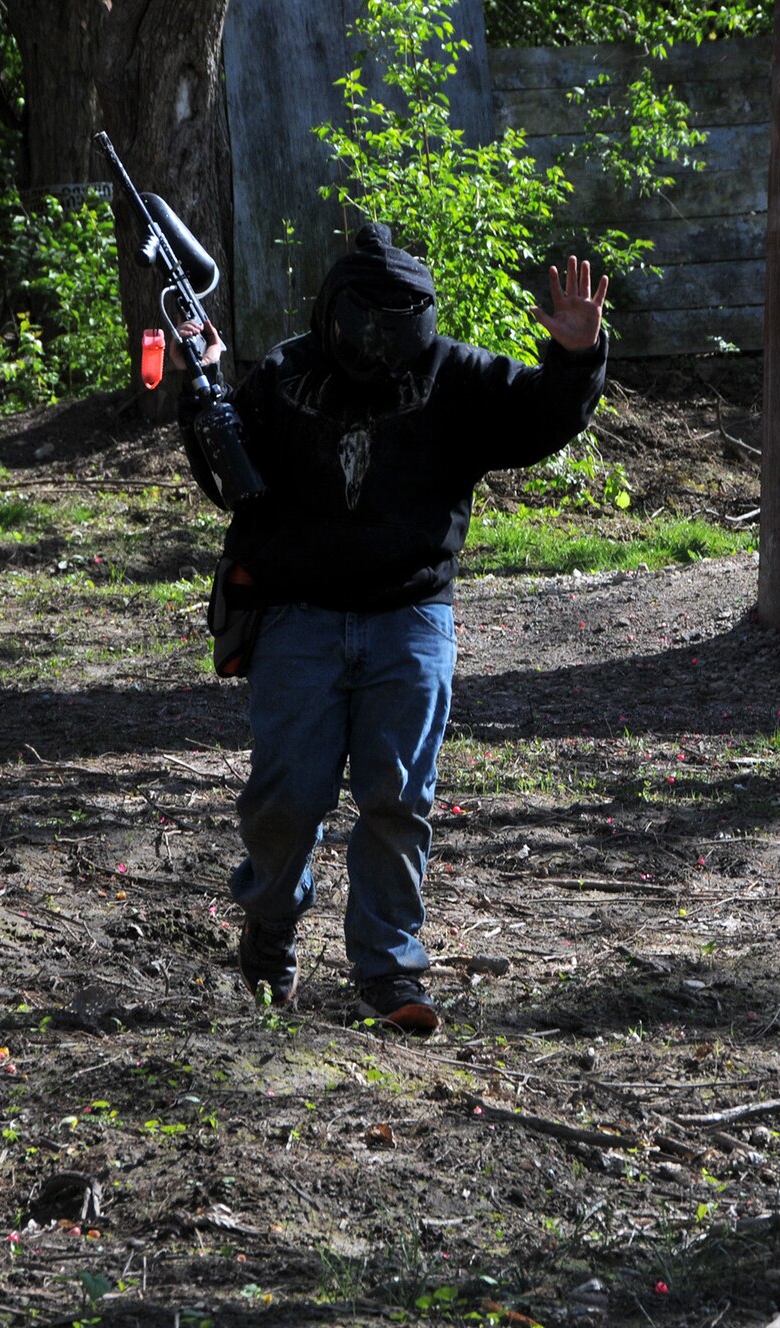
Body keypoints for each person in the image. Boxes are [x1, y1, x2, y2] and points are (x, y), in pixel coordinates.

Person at [177, 223, 608, 1035]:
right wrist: (198, 395)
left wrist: (577, 357)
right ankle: (270, 929)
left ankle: (389, 974)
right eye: (362, 323)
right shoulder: (284, 374)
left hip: (411, 618)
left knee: (397, 801)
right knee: (285, 802)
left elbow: (542, 417)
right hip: (298, 619)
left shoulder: (456, 377)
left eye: (394, 325)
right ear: (334, 314)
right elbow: (229, 479)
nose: (377, 343)